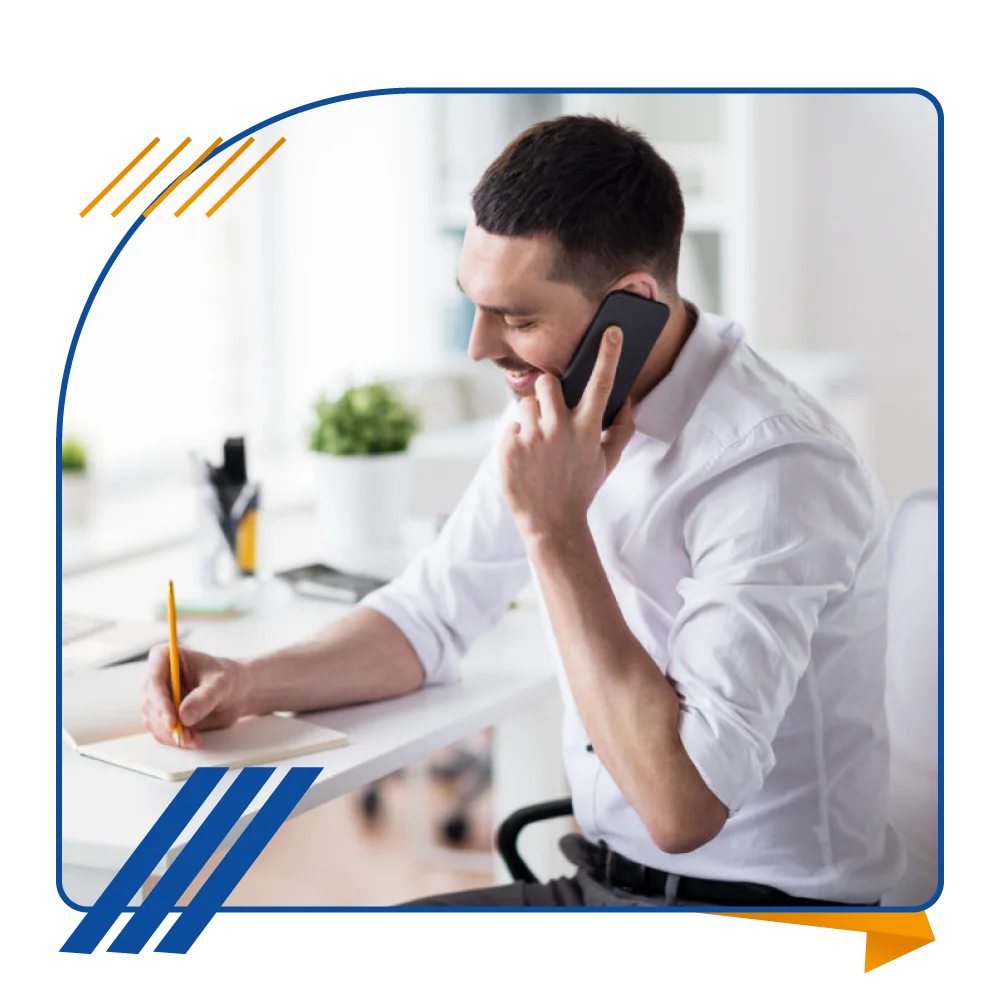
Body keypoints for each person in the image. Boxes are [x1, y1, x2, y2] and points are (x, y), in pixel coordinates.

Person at [141, 114, 907, 909]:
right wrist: (246, 682)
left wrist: (553, 527)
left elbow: (684, 808)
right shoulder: (559, 410)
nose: (479, 347)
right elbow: (429, 617)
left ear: (630, 308)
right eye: (474, 304)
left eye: (517, 316)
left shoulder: (773, 468)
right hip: (598, 884)